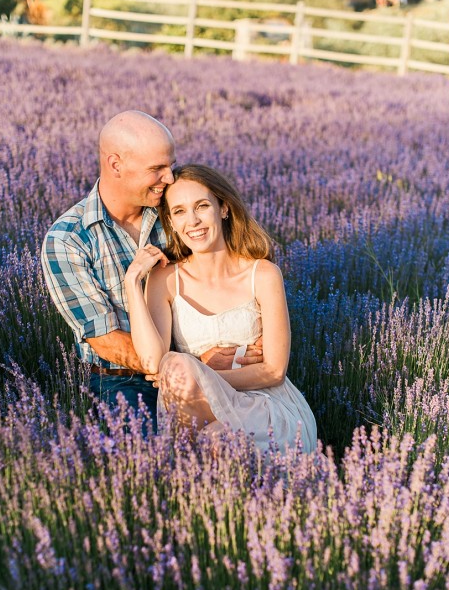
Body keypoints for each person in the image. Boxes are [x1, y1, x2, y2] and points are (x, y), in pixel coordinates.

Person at [41, 112, 263, 429]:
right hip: (123, 381)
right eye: (157, 169)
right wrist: (193, 366)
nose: (170, 178)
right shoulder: (68, 240)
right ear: (116, 165)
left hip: (217, 362)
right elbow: (106, 341)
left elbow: (235, 270)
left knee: (237, 448)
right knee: (154, 461)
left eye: (170, 165)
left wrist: (254, 339)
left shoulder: (175, 209)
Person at [124, 163, 317, 454]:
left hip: (263, 405)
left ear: (223, 208)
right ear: (171, 223)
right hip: (198, 406)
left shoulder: (263, 274)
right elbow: (154, 364)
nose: (193, 221)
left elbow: (274, 371)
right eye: (179, 212)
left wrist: (201, 378)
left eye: (202, 206)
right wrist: (131, 282)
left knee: (215, 435)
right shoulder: (164, 279)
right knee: (179, 373)